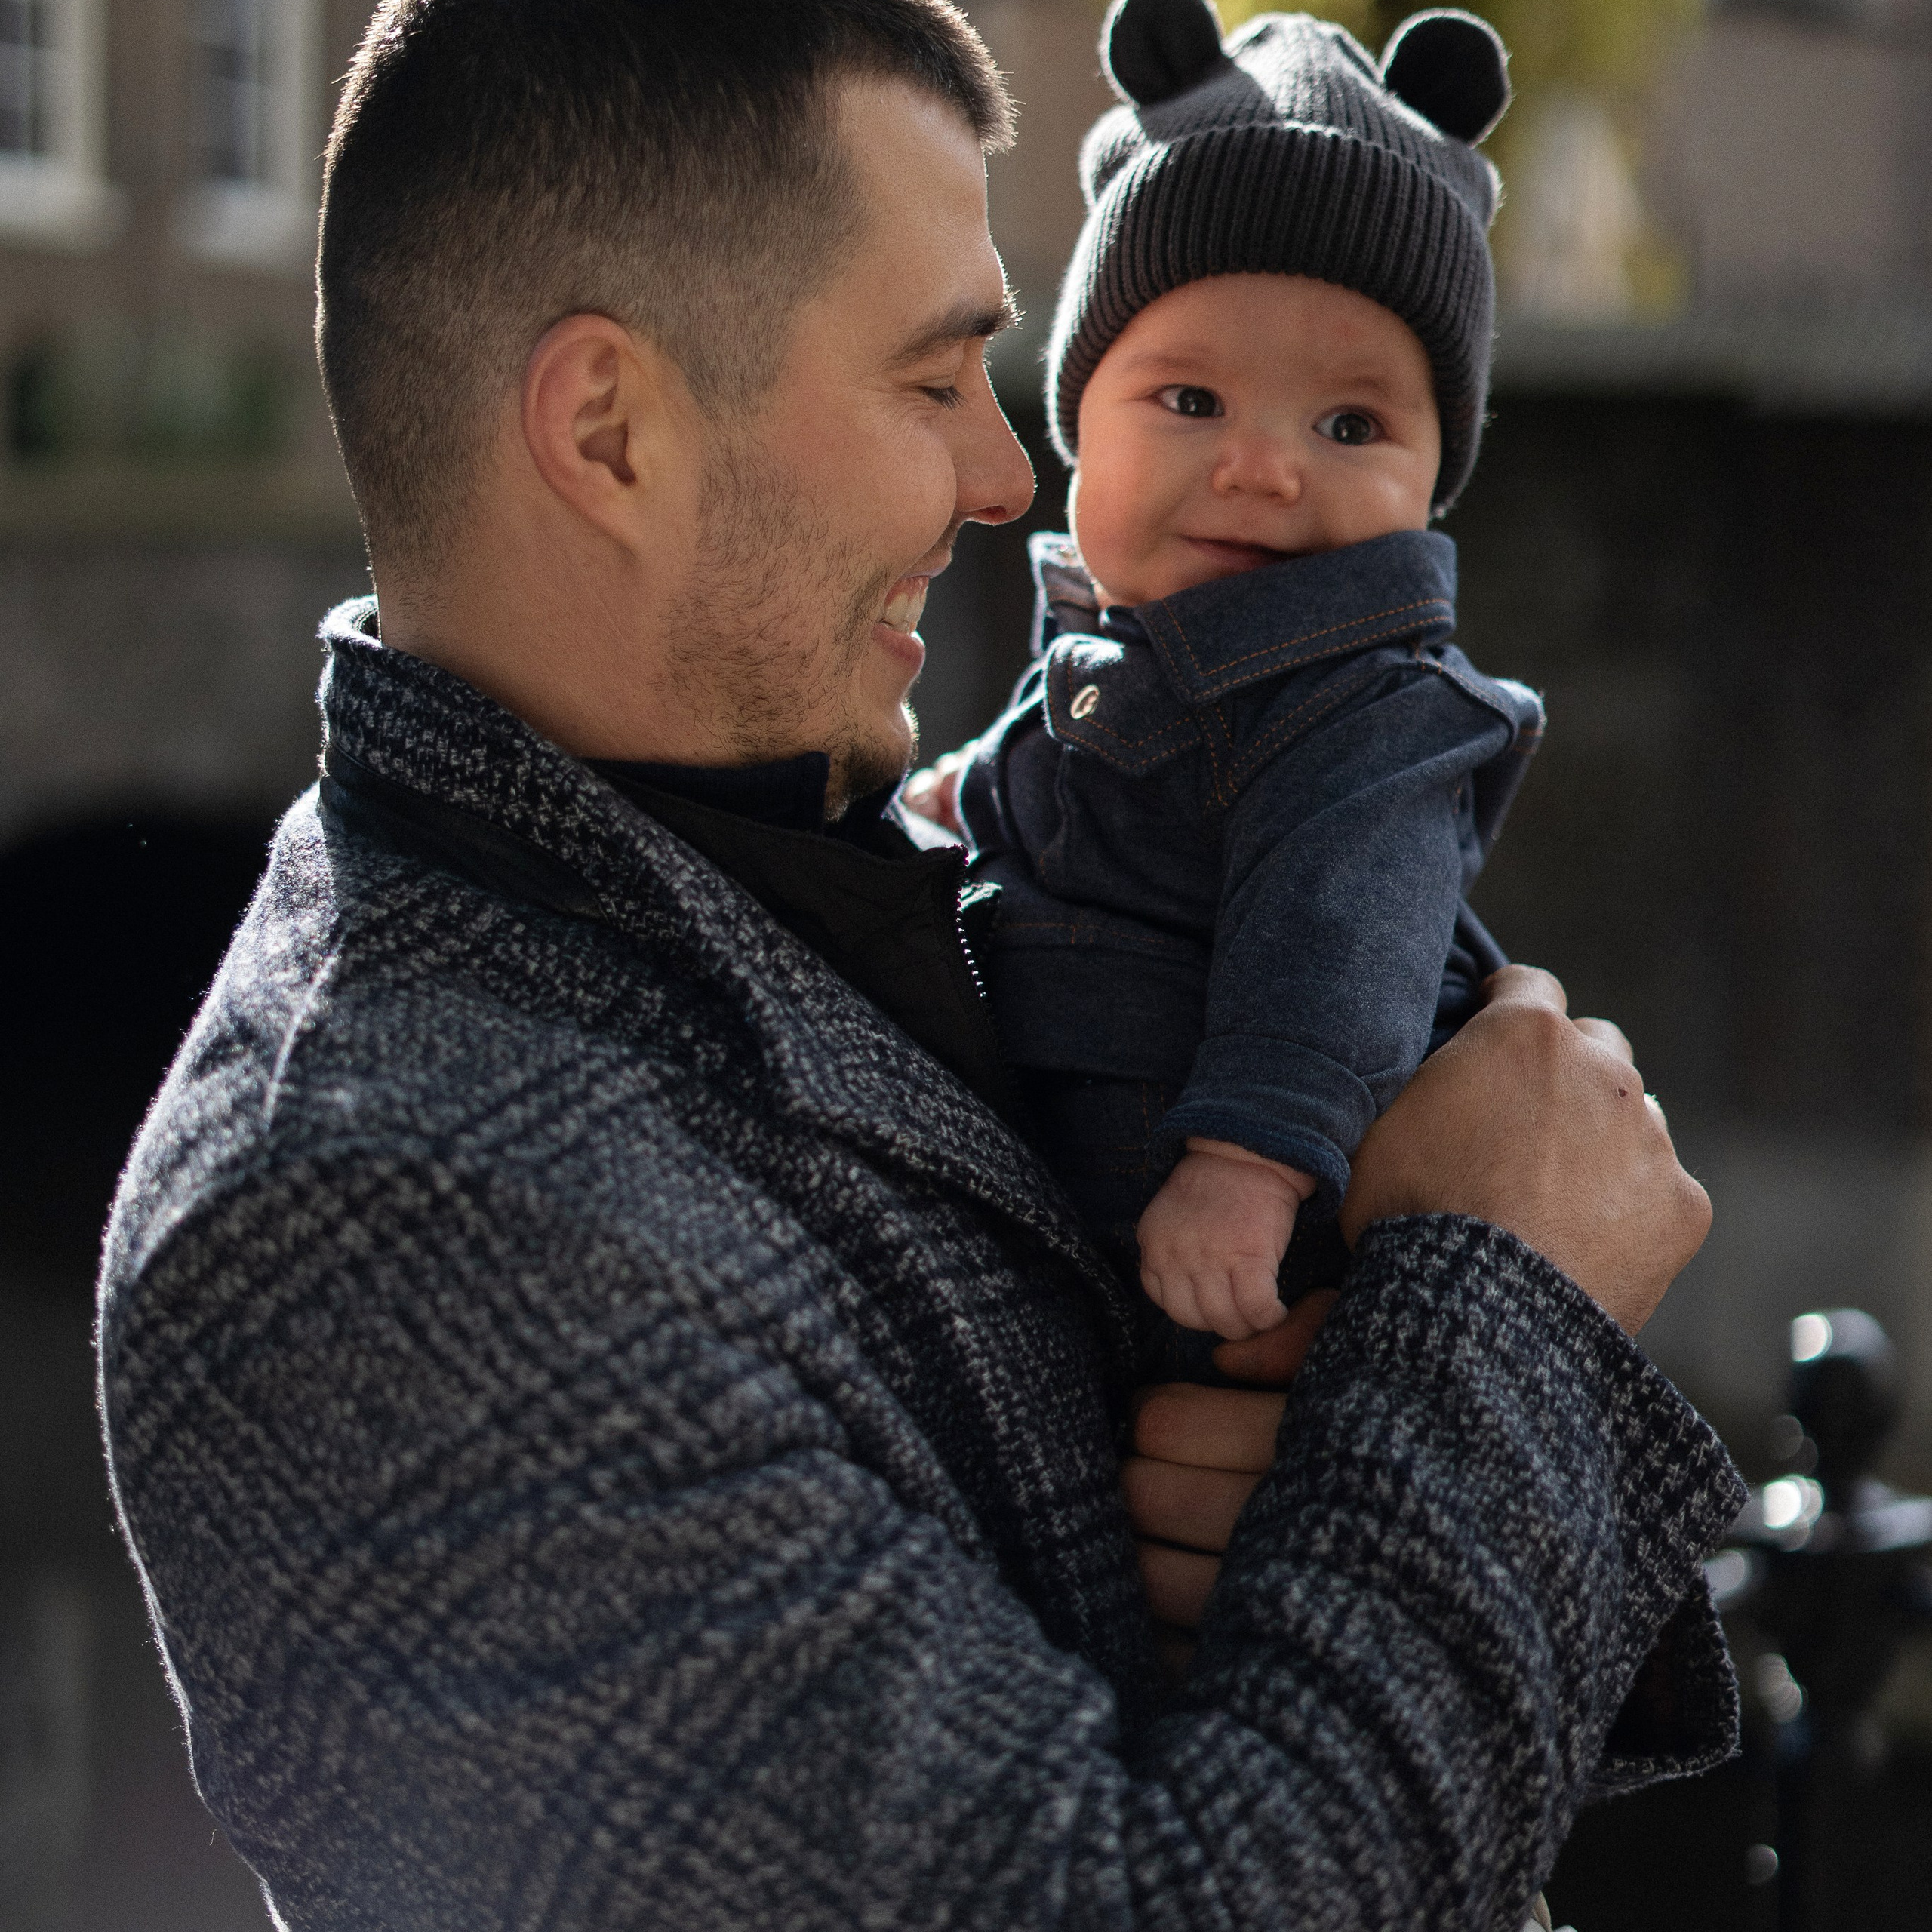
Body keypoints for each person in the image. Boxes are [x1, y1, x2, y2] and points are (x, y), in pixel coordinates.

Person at [95, 4, 1739, 1929]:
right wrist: (1504, 1304)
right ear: (612, 431)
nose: (1003, 475)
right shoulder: (373, 1222)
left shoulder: (826, 839)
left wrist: (1316, 1489)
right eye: (936, 378)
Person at [949, 0, 1547, 1355]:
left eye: (1349, 423)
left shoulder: (1377, 713)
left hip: (1265, 1234)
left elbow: (1346, 937)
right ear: (1079, 425)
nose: (1263, 468)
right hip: (1094, 1209)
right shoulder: (1111, 632)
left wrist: (1251, 1162)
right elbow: (1062, 767)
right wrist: (960, 796)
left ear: (1432, 477)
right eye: (1193, 402)